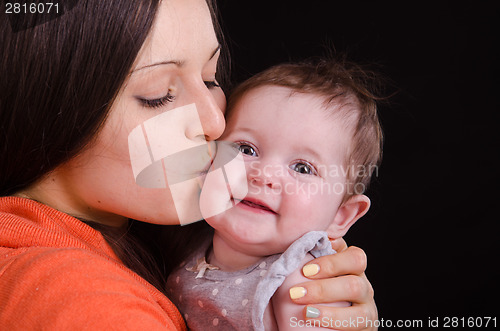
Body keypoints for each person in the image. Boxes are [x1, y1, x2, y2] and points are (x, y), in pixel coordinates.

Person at [0, 0, 377, 329]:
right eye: (158, 96)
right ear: (50, 110)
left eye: (210, 79)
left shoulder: (157, 244)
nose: (215, 123)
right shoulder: (87, 303)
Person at [166, 58, 382, 330]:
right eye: (246, 149)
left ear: (341, 215)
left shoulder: (299, 280)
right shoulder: (191, 244)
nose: (264, 174)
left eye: (302, 168)